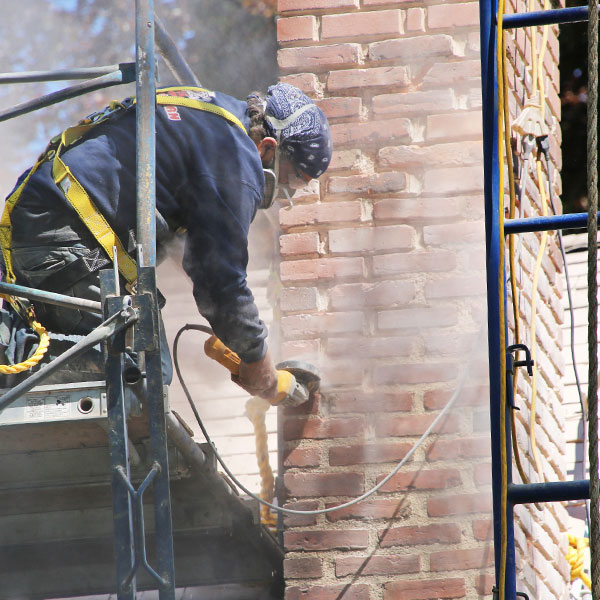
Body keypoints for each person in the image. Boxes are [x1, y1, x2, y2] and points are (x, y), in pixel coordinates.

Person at [0, 82, 333, 399]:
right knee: (141, 371)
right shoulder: (236, 155)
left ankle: (16, 357)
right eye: (289, 179)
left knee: (131, 364)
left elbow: (197, 256)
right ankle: (11, 369)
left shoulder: (212, 116)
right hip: (65, 235)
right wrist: (258, 360)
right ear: (269, 147)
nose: (281, 193)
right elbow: (220, 279)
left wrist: (232, 330)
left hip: (49, 225)